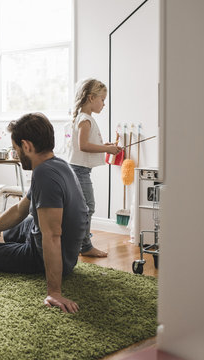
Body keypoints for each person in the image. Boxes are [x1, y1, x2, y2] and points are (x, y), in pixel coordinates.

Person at [0, 113, 89, 314]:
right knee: (12, 230)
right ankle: (7, 244)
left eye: (15, 149)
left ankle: (12, 253)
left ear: (26, 146)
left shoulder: (44, 174)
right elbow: (21, 208)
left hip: (42, 256)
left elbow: (52, 235)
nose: (16, 154)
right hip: (64, 251)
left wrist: (54, 291)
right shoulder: (58, 164)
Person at [68, 78, 122, 258]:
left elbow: (86, 144)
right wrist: (107, 149)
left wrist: (104, 145)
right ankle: (85, 246)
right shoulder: (85, 120)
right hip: (79, 170)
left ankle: (81, 243)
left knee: (84, 207)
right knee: (87, 207)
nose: (104, 104)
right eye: (102, 99)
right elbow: (83, 146)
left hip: (80, 169)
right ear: (91, 98)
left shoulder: (84, 118)